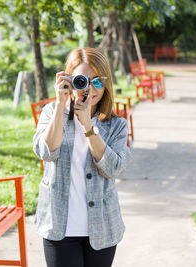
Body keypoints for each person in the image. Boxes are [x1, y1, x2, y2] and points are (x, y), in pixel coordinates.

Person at [32, 47, 131, 267]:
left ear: (106, 84)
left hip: (102, 227)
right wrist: (60, 104)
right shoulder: (51, 113)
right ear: (69, 79)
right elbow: (46, 152)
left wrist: (87, 124)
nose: (90, 88)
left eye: (98, 81)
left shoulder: (116, 125)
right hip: (59, 226)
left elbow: (114, 168)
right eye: (82, 80)